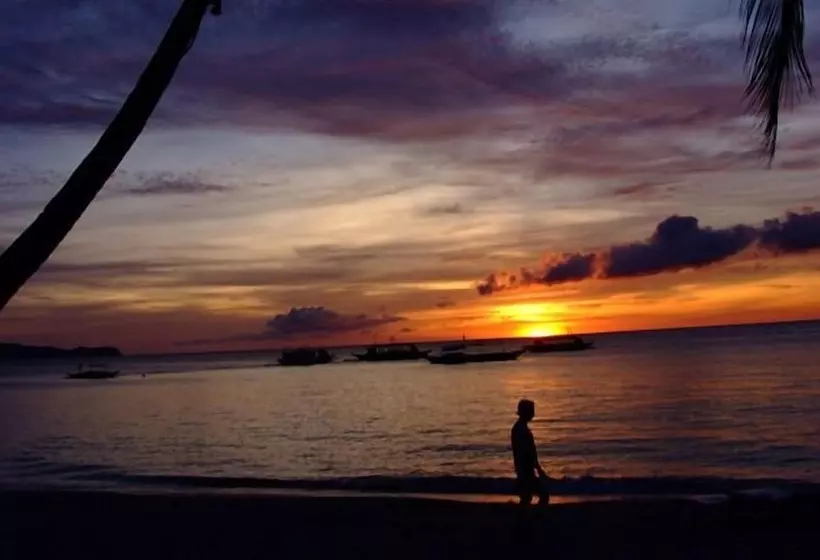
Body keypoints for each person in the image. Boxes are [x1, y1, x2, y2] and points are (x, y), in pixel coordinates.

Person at [511, 399, 549, 506]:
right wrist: (537, 468)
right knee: (537, 495)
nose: (533, 414)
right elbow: (526, 452)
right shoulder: (520, 430)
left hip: (525, 469)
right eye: (531, 411)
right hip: (525, 469)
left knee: (527, 497)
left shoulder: (519, 428)